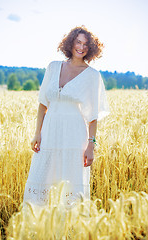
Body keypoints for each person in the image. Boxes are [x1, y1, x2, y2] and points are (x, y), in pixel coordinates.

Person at [23, 25, 110, 207]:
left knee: (71, 189)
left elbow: (93, 116)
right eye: (78, 42)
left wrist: (90, 146)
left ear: (91, 48)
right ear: (70, 43)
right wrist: (37, 133)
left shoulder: (92, 76)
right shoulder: (53, 67)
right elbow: (42, 104)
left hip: (74, 136)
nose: (81, 47)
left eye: (86, 44)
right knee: (41, 181)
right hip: (49, 133)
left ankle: (69, 231)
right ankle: (39, 230)